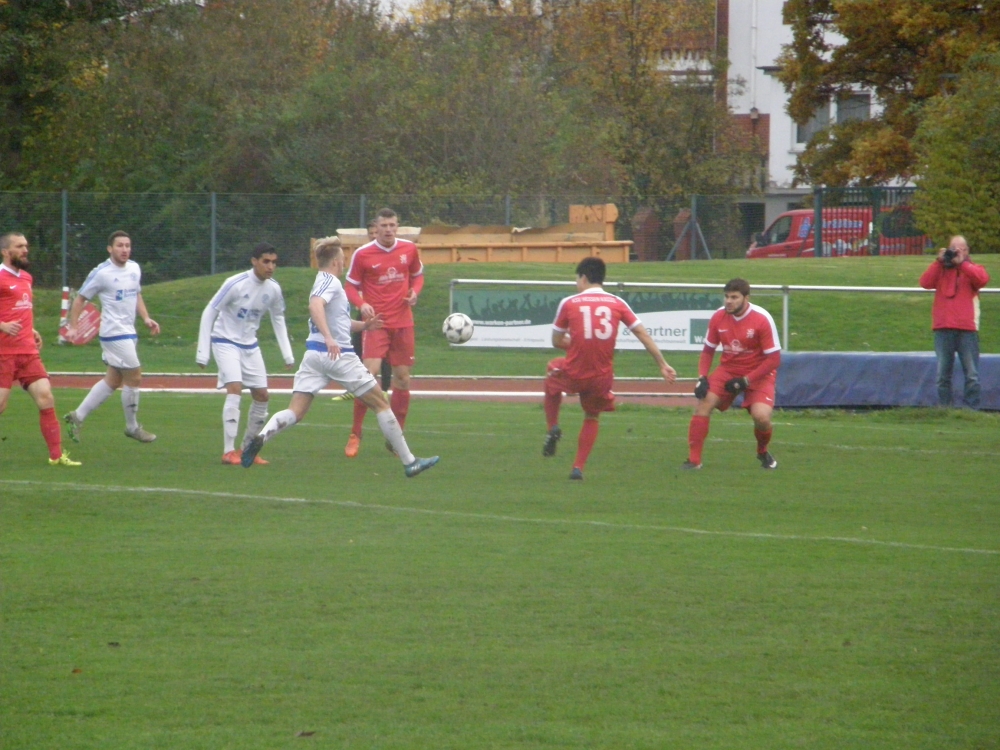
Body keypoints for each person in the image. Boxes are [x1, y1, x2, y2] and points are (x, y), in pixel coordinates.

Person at [240, 236, 439, 477]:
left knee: (296, 411)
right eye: (343, 259)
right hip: (338, 356)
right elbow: (315, 306)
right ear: (335, 262)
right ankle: (410, 462)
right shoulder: (331, 282)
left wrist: (365, 326)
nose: (344, 263)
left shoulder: (322, 281)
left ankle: (261, 436)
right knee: (381, 403)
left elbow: (340, 322)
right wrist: (329, 338)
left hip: (313, 356)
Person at [542, 256, 676, 480]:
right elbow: (641, 333)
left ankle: (552, 426)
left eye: (577, 279)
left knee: (552, 370)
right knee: (592, 415)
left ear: (583, 278)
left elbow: (556, 340)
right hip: (601, 376)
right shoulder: (617, 303)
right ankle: (578, 468)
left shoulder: (569, 302)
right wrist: (663, 364)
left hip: (575, 372)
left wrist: (577, 344)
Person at [196, 242, 295, 465]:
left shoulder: (273, 289)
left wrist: (287, 354)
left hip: (250, 345)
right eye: (266, 262)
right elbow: (210, 310)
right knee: (235, 388)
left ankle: (247, 450)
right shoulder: (235, 283)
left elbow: (278, 318)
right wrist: (202, 352)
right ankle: (228, 451)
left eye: (274, 262)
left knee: (262, 396)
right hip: (225, 341)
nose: (270, 267)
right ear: (254, 261)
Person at [64, 230, 160, 443]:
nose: (124, 249)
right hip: (113, 333)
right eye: (120, 245)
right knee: (135, 376)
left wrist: (146, 318)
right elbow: (80, 299)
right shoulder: (101, 273)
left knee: (113, 380)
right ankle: (132, 427)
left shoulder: (134, 268)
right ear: (110, 249)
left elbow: (136, 294)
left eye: (127, 245)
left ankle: (76, 417)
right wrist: (73, 326)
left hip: (129, 332)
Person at [343, 208, 423, 457]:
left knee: (403, 379)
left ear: (397, 226)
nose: (388, 229)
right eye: (384, 225)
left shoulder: (409, 249)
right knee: (369, 376)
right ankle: (355, 433)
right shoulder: (363, 254)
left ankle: (396, 438)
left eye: (392, 225)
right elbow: (350, 286)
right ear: (376, 228)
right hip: (376, 323)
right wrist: (361, 304)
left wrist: (415, 293)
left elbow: (418, 276)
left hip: (403, 323)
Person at [0, 232, 81, 466]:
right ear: (5, 251)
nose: (25, 250)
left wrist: (32, 330)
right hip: (4, 353)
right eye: (19, 246)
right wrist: (2, 325)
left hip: (27, 352)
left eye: (26, 245)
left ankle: (56, 456)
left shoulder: (26, 277)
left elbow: (19, 309)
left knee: (46, 397)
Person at [683, 278, 781, 470]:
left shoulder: (762, 318)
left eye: (734, 297)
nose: (729, 301)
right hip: (728, 370)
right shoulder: (718, 317)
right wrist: (702, 377)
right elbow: (708, 351)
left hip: (758, 374)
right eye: (727, 297)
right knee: (703, 404)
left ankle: (762, 451)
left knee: (761, 417)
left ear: (746, 298)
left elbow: (774, 359)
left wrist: (746, 380)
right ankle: (694, 461)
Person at [919, 235, 990, 409]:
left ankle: (971, 410)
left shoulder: (972, 269)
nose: (956, 252)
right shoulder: (940, 270)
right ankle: (945, 409)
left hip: (967, 329)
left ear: (966, 251)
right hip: (943, 328)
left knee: (971, 374)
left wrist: (962, 263)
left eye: (960, 249)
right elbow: (925, 282)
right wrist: (939, 262)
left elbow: (982, 279)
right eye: (953, 248)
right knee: (942, 375)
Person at [333, 220, 393, 402]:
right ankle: (356, 387)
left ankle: (384, 389)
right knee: (357, 348)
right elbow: (353, 282)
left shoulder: (388, 254)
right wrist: (360, 302)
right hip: (365, 311)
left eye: (376, 232)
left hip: (384, 311)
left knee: (385, 353)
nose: (374, 235)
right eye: (371, 233)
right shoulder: (363, 254)